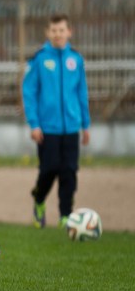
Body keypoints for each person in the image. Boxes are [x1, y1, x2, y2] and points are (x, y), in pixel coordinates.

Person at [22, 13, 91, 229]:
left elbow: (81, 92)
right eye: (54, 30)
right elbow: (29, 93)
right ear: (47, 32)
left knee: (69, 171)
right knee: (49, 169)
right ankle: (39, 199)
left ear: (69, 32)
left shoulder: (76, 59)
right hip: (47, 128)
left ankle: (65, 216)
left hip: (71, 127)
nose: (58, 34)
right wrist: (34, 124)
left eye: (61, 30)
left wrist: (85, 124)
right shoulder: (40, 59)